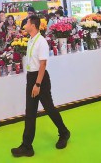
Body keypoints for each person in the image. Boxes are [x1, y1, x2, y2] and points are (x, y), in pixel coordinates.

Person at [11, 15, 70, 157]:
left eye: (27, 23)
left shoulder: (41, 42)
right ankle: (27, 146)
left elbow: (43, 64)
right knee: (30, 113)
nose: (25, 25)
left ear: (33, 25)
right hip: (31, 77)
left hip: (40, 79)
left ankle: (64, 132)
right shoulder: (31, 40)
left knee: (49, 108)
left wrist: (37, 84)